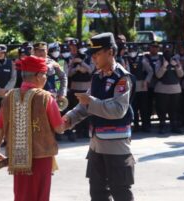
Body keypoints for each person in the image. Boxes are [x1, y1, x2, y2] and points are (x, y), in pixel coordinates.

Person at [64, 32, 135, 201]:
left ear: (110, 52)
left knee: (121, 192)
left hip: (116, 145)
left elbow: (118, 109)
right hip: (96, 145)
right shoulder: (97, 76)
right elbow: (84, 106)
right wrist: (68, 119)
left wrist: (91, 101)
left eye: (97, 54)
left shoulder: (122, 78)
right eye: (92, 55)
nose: (93, 58)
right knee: (97, 193)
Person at [0, 55, 64, 201]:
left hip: (18, 158)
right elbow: (59, 128)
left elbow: (0, 127)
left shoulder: (8, 97)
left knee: (22, 195)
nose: (45, 78)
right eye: (44, 74)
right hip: (42, 158)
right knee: (40, 196)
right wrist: (69, 120)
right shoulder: (45, 98)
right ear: (37, 76)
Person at [67, 41, 94, 139]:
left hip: (86, 88)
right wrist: (76, 68)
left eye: (84, 47)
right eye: (80, 47)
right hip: (75, 87)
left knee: (87, 110)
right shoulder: (73, 58)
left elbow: (91, 69)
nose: (82, 49)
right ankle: (78, 131)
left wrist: (82, 64)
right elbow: (68, 73)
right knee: (76, 110)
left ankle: (86, 131)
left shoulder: (90, 57)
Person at [154, 43, 184, 134]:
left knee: (174, 108)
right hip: (162, 89)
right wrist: (164, 66)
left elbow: (181, 74)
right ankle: (162, 125)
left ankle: (174, 125)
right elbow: (158, 75)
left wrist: (176, 66)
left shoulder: (176, 60)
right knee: (162, 108)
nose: (168, 51)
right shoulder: (159, 60)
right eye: (166, 49)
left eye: (169, 49)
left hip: (175, 89)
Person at [126, 43, 153, 132]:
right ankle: (136, 125)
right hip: (132, 87)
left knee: (144, 107)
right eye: (130, 51)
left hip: (142, 86)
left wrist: (146, 81)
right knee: (134, 107)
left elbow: (150, 71)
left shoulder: (142, 59)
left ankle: (145, 125)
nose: (132, 53)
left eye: (133, 51)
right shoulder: (126, 60)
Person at [145, 41, 162, 131]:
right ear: (149, 48)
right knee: (148, 105)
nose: (154, 48)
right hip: (149, 85)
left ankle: (161, 122)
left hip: (159, 85)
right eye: (153, 47)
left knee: (160, 105)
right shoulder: (145, 57)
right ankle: (147, 123)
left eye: (156, 47)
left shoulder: (161, 58)